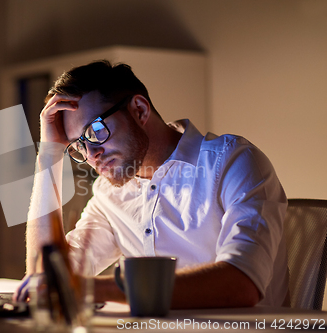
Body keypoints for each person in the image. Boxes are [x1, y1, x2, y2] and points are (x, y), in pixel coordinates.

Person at [15, 60, 288, 308]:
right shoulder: (109, 192)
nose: (91, 155)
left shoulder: (233, 162)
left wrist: (93, 289)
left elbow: (241, 285)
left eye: (95, 131)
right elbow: (47, 276)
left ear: (139, 110)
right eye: (78, 146)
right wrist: (49, 154)